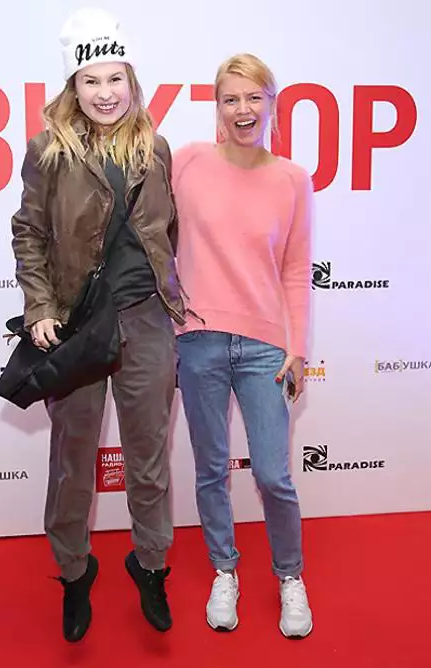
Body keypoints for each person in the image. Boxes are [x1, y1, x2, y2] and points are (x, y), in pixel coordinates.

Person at [11, 8, 184, 642]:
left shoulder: (155, 148)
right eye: (91, 80)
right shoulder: (48, 151)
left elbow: (166, 233)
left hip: (146, 321)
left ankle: (151, 564)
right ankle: (74, 572)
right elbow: (29, 233)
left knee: (149, 458)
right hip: (78, 325)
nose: (105, 92)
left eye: (116, 78)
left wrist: (167, 298)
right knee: (73, 461)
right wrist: (40, 306)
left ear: (131, 81)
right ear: (73, 85)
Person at [172, 53, 314, 638]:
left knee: (274, 474)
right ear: (217, 107)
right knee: (210, 469)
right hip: (197, 340)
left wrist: (297, 346)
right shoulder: (186, 162)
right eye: (230, 98)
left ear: (271, 104)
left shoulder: (292, 179)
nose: (242, 109)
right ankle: (224, 570)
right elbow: (152, 237)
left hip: (264, 348)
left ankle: (290, 576)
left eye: (254, 97)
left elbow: (296, 270)